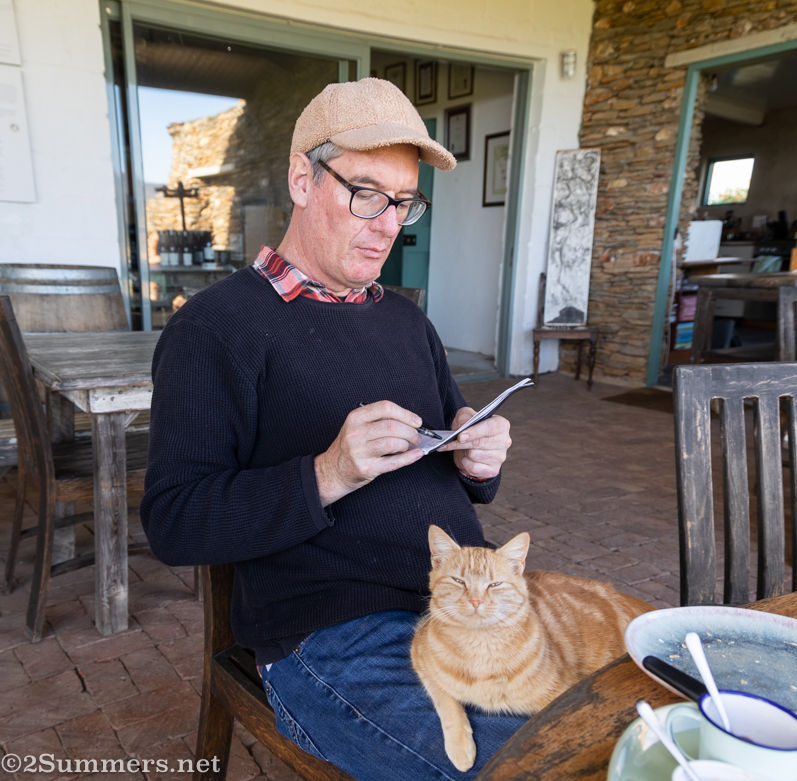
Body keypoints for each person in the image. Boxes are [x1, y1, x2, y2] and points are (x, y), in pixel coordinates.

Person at [141, 78, 526, 781]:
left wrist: (477, 459)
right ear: (302, 178)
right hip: (337, 633)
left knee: (621, 726)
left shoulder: (407, 321)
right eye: (367, 194)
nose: (388, 224)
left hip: (468, 604)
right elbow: (174, 522)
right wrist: (329, 473)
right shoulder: (215, 329)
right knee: (518, 768)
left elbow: (459, 464)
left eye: (404, 202)